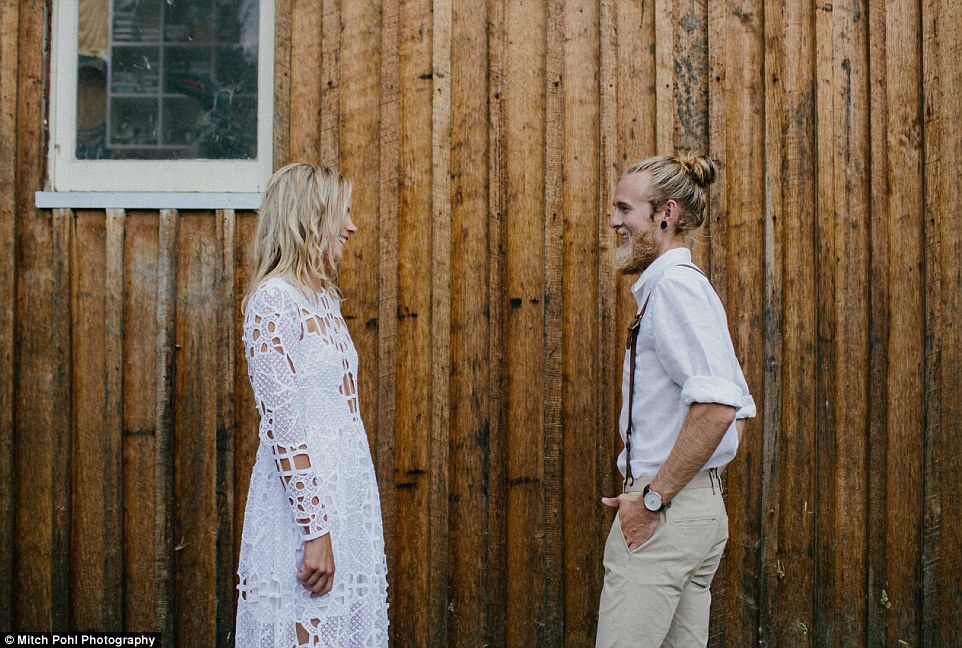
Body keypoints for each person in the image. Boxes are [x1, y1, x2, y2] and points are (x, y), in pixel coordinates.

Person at [595, 153, 755, 648]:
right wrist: (695, 493)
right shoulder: (686, 289)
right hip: (691, 507)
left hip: (662, 513)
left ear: (665, 214)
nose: (615, 221)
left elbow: (719, 409)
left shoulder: (674, 290)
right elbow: (739, 408)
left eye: (625, 209)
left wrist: (655, 499)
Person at [235, 163, 389, 647]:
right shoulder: (273, 301)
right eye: (341, 213)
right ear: (309, 217)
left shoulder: (322, 298)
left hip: (346, 496)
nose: (351, 225)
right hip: (303, 511)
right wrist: (314, 530)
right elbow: (284, 426)